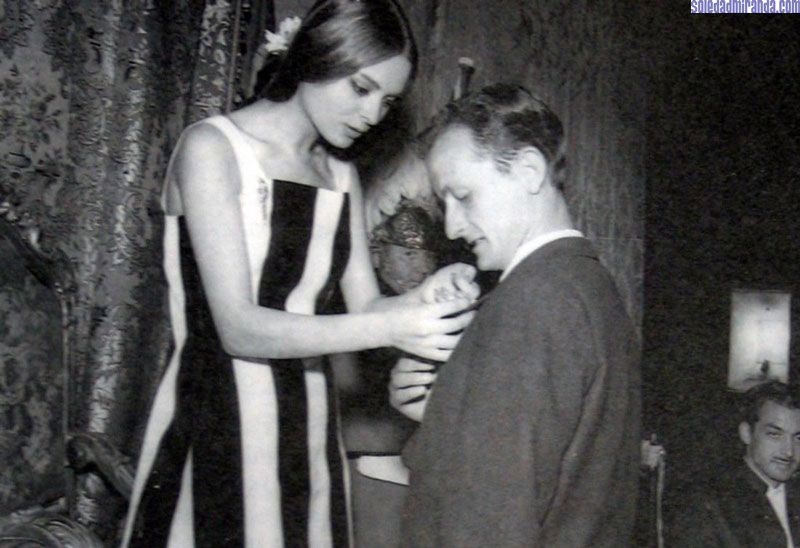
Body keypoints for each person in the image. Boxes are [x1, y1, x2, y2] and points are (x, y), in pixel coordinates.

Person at [119, 2, 478, 546]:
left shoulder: (339, 174)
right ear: (318, 56)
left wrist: (424, 298)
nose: (372, 115)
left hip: (307, 429)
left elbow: (366, 308)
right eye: (361, 88)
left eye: (386, 101)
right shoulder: (212, 148)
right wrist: (392, 326)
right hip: (215, 424)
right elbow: (238, 328)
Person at [390, 83, 642, 547]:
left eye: (462, 196)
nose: (452, 226)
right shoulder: (588, 286)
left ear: (529, 171)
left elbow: (489, 520)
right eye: (444, 204)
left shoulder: (532, 302)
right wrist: (444, 410)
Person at [670, 380, 800, 548]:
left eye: (798, 438)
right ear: (746, 433)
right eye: (774, 435)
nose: (789, 451)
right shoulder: (708, 501)